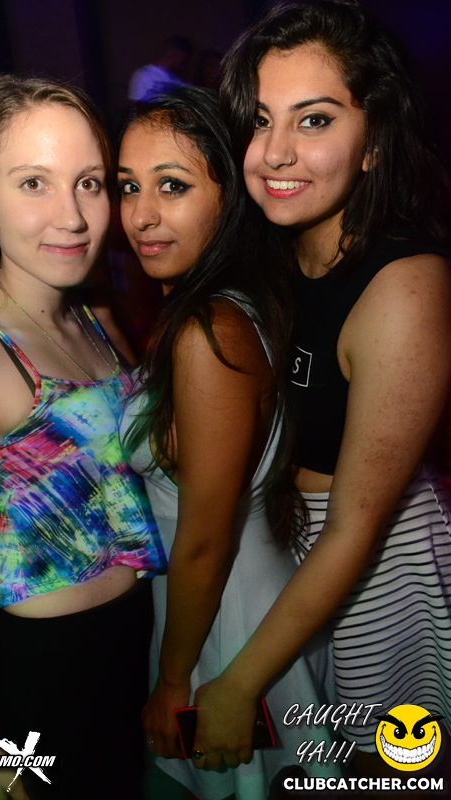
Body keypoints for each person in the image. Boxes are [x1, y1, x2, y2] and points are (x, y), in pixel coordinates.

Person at [190, 0, 451, 778]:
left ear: (373, 143)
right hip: (297, 555)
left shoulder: (404, 285)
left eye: (313, 120)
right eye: (259, 120)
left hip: (378, 570)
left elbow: (356, 526)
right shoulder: (278, 257)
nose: (274, 152)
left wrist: (237, 686)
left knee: (391, 774)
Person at [0, 74, 165, 800]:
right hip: (49, 674)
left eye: (89, 183)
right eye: (34, 183)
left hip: (137, 639)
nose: (72, 216)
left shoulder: (94, 316)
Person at [118, 87, 341, 800]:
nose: (140, 215)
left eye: (172, 186)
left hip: (224, 623)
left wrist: (174, 682)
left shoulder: (209, 330)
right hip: (226, 604)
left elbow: (206, 541)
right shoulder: (224, 303)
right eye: (128, 186)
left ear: (229, 200)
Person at [128, 35, 193, 102]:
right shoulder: (145, 76)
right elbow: (136, 105)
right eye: (182, 62)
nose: (183, 67)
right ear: (171, 56)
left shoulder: (176, 80)